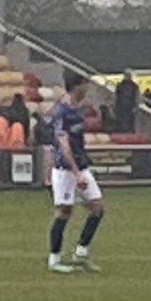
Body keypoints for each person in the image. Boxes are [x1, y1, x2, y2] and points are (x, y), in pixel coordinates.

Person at [47, 73, 104, 273]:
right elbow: (63, 144)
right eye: (85, 86)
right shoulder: (62, 112)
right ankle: (54, 259)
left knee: (97, 207)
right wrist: (75, 172)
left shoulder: (78, 110)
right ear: (76, 87)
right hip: (65, 169)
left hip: (81, 166)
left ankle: (81, 252)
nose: (87, 90)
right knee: (64, 211)